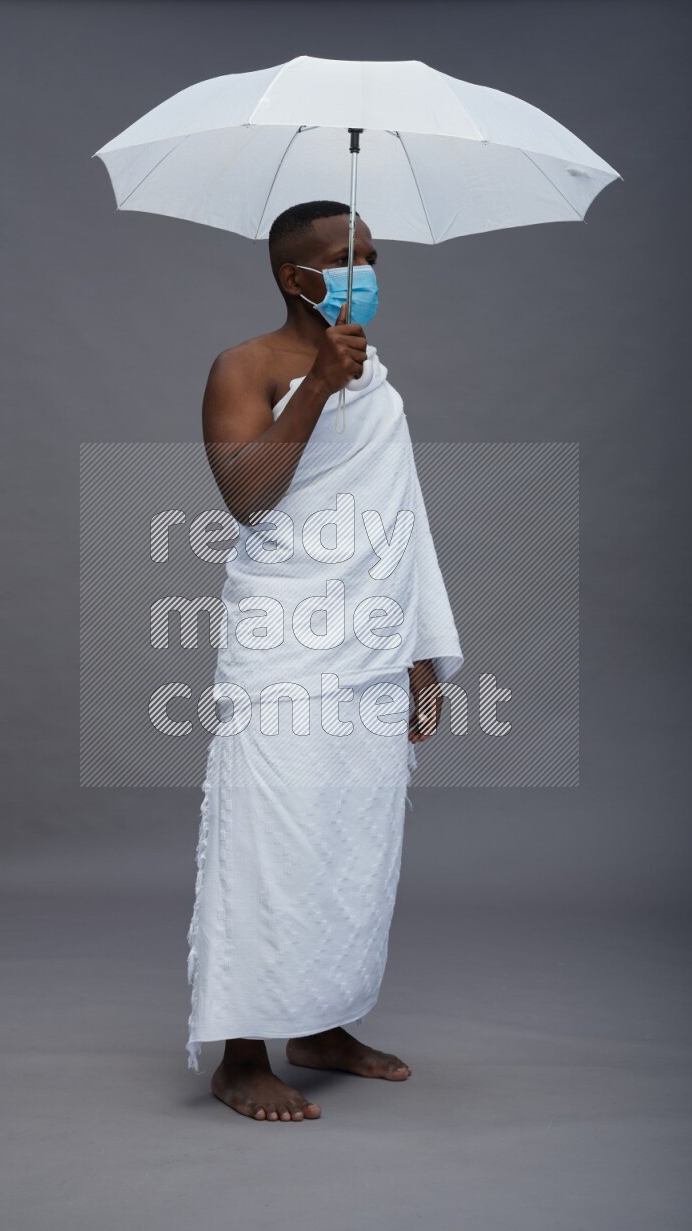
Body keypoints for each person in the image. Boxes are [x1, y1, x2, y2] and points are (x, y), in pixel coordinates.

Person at [187, 200, 463, 1121]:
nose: (367, 271)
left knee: (355, 842)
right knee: (272, 841)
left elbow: (403, 523)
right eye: (348, 258)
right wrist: (316, 389)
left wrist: (423, 651)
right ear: (292, 277)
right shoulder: (246, 366)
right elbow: (247, 497)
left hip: (371, 644)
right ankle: (240, 1053)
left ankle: (323, 1023)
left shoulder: (379, 381)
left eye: (374, 256)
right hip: (285, 645)